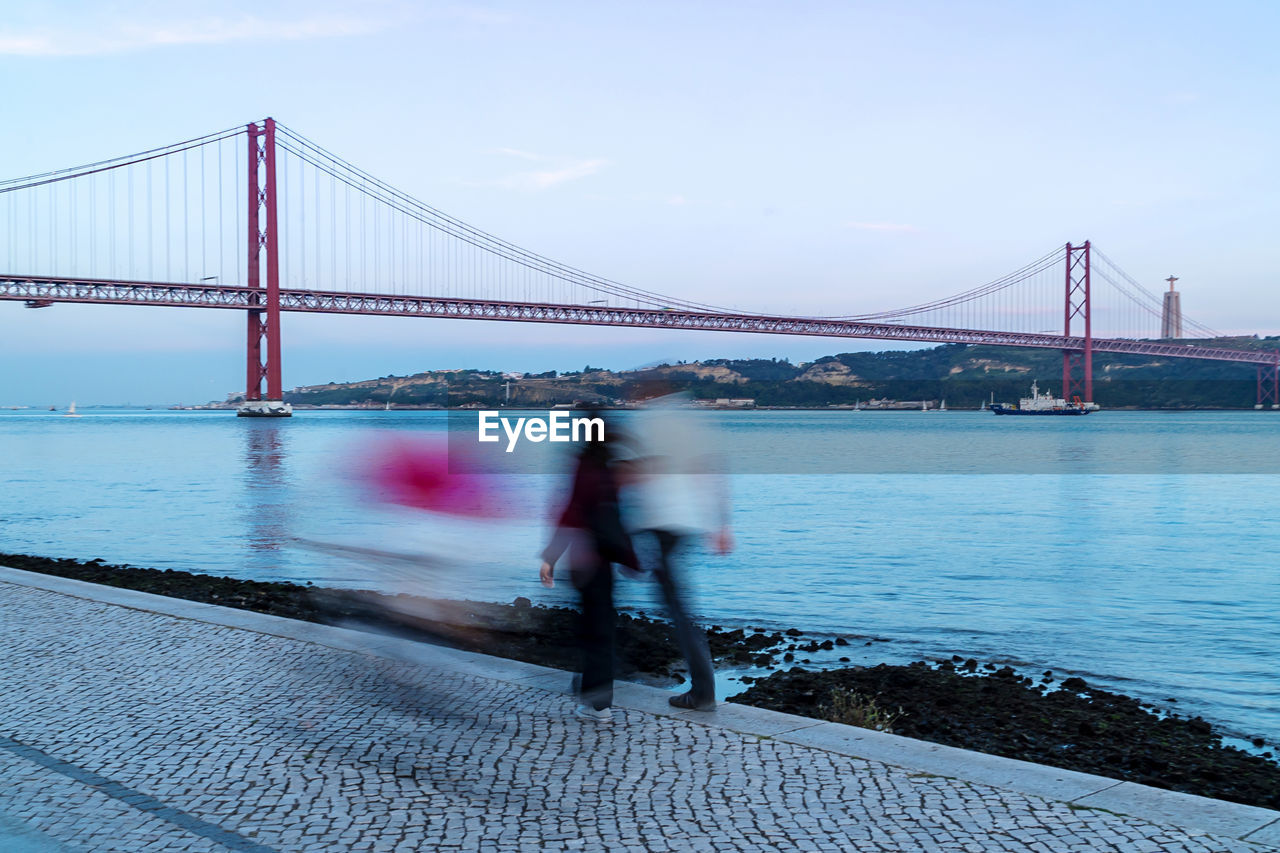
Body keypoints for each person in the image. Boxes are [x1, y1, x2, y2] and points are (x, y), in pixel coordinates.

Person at [626, 395, 732, 711]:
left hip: (662, 523)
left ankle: (702, 691)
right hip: (684, 522)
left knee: (677, 607)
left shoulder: (647, 424)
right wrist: (721, 524)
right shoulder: (689, 424)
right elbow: (710, 470)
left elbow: (641, 476)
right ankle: (702, 688)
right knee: (676, 603)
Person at [539, 416, 637, 723]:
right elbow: (620, 512)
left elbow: (572, 510)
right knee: (601, 628)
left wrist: (551, 556)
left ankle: (596, 703)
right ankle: (596, 696)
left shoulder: (585, 466)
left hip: (584, 558)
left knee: (592, 630)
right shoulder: (611, 465)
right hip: (606, 557)